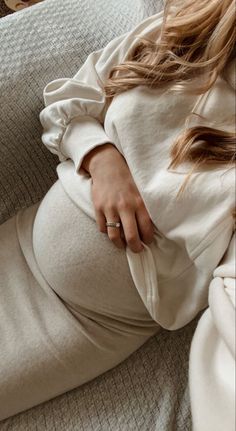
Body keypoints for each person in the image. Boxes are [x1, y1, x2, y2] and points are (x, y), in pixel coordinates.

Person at [0, 0, 235, 428]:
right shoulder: (187, 31)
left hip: (82, 324)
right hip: (22, 239)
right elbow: (69, 97)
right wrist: (100, 155)